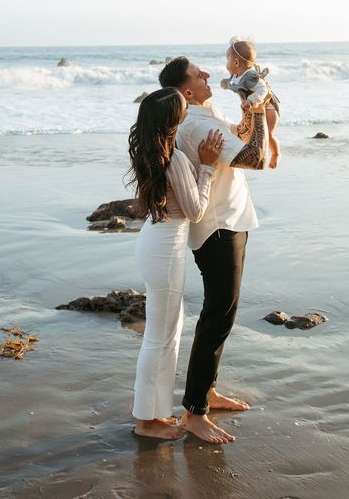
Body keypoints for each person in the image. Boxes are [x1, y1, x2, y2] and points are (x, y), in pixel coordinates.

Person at [157, 56, 271, 444]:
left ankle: (206, 393)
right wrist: (256, 109)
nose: (209, 75)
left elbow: (241, 138)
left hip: (229, 222)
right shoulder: (197, 123)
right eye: (199, 74)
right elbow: (255, 158)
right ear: (185, 90)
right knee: (218, 316)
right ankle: (194, 413)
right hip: (218, 228)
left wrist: (248, 109)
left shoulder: (204, 112)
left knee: (221, 312)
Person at [128, 87, 224, 440]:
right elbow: (195, 210)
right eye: (185, 107)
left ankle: (151, 412)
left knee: (163, 333)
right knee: (159, 337)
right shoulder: (175, 160)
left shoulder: (154, 154)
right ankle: (146, 421)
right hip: (167, 250)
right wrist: (209, 168)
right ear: (173, 119)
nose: (189, 108)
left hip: (154, 243)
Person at [221, 36, 281, 170]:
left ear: (236, 63)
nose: (226, 64)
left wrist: (252, 100)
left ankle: (276, 153)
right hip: (257, 107)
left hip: (269, 107)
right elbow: (235, 85)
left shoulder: (251, 76)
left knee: (269, 134)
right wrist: (226, 84)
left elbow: (263, 90)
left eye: (227, 60)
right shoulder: (237, 74)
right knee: (253, 133)